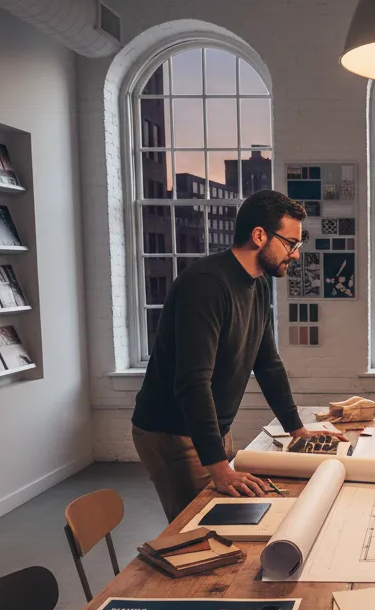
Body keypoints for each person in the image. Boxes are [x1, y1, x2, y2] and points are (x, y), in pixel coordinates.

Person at [132, 189, 344, 521]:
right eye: (291, 243)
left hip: (211, 426)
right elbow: (192, 382)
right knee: (200, 526)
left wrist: (297, 430)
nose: (296, 255)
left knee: (231, 513)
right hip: (173, 432)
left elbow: (268, 363)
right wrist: (218, 467)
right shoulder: (205, 284)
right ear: (259, 236)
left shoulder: (257, 284)